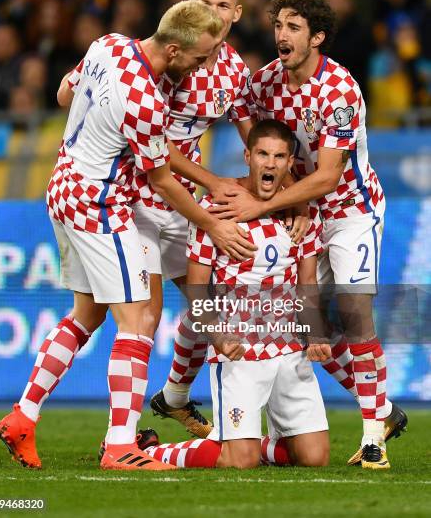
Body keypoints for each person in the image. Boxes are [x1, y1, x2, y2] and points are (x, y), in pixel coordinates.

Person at [0, 0, 257, 472]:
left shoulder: (108, 44)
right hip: (100, 203)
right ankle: (119, 447)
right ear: (173, 51)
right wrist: (213, 223)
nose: (201, 67)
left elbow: (62, 95)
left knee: (84, 316)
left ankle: (23, 415)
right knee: (138, 322)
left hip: (62, 186)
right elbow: (162, 182)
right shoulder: (146, 102)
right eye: (197, 59)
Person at [213, 0, 407, 469]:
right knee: (301, 325)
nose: (282, 34)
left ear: (317, 37)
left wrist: (268, 203)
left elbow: (328, 176)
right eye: (279, 24)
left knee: (355, 313)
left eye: (294, 27)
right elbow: (245, 118)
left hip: (348, 212)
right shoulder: (265, 82)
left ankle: (372, 439)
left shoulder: (339, 90)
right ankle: (381, 409)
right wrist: (279, 187)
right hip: (299, 209)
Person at [139, 0, 309, 438]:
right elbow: (151, 144)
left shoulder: (234, 72)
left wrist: (286, 196)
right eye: (203, 3)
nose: (211, 13)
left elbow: (256, 142)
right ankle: (121, 436)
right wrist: (214, 181)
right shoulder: (169, 57)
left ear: (235, 15)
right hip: (134, 196)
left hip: (183, 202)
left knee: (205, 302)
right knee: (143, 315)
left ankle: (173, 397)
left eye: (221, 6)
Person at [137, 120, 329, 469]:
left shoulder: (302, 214)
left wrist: (315, 331)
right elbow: (197, 288)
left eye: (279, 156)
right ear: (248, 156)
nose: (270, 163)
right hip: (239, 352)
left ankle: (255, 443)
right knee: (239, 462)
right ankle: (150, 450)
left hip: (288, 350)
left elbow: (308, 285)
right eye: (262, 154)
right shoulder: (216, 208)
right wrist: (218, 335)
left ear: (289, 164)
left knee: (315, 459)